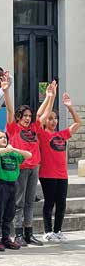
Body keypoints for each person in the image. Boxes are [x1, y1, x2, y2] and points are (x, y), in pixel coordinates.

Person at [3, 75, 53, 246]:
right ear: (19, 116)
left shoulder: (33, 128)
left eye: (29, 115)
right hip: (21, 167)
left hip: (34, 168)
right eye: (25, 115)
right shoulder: (13, 128)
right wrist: (6, 91)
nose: (28, 118)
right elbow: (9, 110)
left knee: (30, 201)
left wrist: (49, 96)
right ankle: (17, 234)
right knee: (19, 201)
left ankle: (28, 233)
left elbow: (44, 114)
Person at [38, 91, 82, 243]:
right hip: (47, 174)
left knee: (61, 204)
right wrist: (50, 97)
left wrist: (69, 107)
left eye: (55, 118)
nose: (53, 121)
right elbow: (39, 118)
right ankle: (48, 231)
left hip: (62, 174)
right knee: (49, 203)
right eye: (50, 118)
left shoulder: (62, 135)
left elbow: (78, 123)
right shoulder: (42, 134)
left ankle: (58, 230)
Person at [0, 130, 31, 251]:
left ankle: (6, 238)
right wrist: (7, 149)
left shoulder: (13, 153)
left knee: (10, 212)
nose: (4, 139)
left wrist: (14, 150)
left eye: (5, 137)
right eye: (0, 137)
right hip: (1, 185)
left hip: (13, 185)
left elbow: (28, 155)